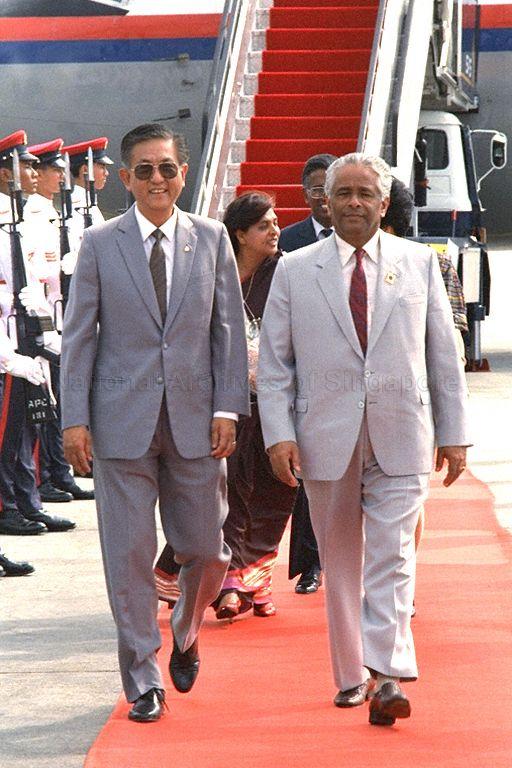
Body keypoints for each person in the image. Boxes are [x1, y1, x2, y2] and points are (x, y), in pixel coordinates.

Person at [257, 153, 470, 726]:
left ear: (383, 202)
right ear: (325, 202)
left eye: (364, 193)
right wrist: (278, 435)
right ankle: (352, 674)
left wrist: (455, 434)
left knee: (393, 555)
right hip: (323, 434)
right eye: (342, 193)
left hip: (403, 430)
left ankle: (390, 674)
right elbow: (276, 364)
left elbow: (443, 357)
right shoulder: (295, 268)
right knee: (341, 560)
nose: (353, 202)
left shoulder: (420, 262)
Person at [60, 123, 249, 723]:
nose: (157, 179)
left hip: (196, 422)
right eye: (144, 170)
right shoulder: (99, 243)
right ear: (125, 178)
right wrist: (74, 421)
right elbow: (78, 338)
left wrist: (227, 408)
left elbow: (227, 332)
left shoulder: (213, 238)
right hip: (120, 425)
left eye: (166, 168)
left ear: (183, 173)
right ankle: (143, 679)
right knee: (129, 555)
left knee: (206, 550)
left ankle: (186, 631)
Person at [155, 191, 297, 620]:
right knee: (226, 490)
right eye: (263, 225)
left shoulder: (286, 272)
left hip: (276, 398)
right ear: (239, 234)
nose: (275, 231)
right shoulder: (209, 272)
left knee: (276, 490)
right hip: (221, 402)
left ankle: (251, 577)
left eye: (275, 223)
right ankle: (225, 579)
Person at [381, 177, 468, 560]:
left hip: (411, 406)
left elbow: (451, 346)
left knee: (405, 505)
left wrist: (448, 420)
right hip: (408, 404)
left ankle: (400, 578)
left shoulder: (430, 263)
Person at [0, 130, 75, 537]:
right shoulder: (15, 220)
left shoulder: (15, 219)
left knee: (29, 421)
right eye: (23, 165)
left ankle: (26, 500)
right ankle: (10, 503)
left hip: (31, 329)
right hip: (11, 338)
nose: (29, 172)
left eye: (31, 165)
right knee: (10, 428)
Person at [279, 154, 337, 595]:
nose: (323, 198)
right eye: (314, 189)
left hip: (353, 376)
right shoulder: (289, 241)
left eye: (328, 188)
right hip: (306, 372)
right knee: (310, 478)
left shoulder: (367, 237)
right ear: (305, 194)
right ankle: (311, 564)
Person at [24, 138, 94, 504]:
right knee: (45, 401)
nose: (49, 176)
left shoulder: (56, 210)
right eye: (53, 170)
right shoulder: (30, 214)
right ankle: (47, 475)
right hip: (43, 317)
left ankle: (57, 472)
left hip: (62, 313)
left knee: (57, 398)